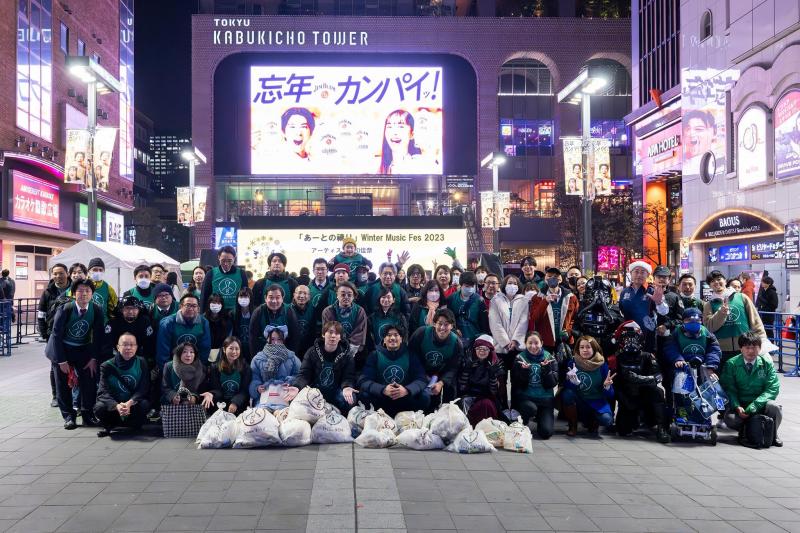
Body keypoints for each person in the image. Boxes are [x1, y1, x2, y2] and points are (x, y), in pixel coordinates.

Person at [46, 279, 105, 430]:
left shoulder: (96, 310)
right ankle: (68, 417)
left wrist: (93, 358)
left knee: (89, 382)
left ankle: (87, 415)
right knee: (63, 385)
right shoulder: (66, 309)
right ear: (73, 293)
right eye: (80, 290)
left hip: (83, 349)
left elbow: (98, 336)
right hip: (62, 349)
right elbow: (56, 336)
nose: (84, 294)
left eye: (87, 291)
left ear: (92, 294)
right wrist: (61, 361)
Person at [612, 321, 671, 443]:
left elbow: (658, 376)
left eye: (634, 338)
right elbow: (613, 383)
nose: (631, 342)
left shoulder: (648, 356)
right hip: (627, 396)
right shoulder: (616, 358)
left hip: (645, 394)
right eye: (627, 339)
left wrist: (639, 379)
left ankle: (662, 428)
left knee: (658, 392)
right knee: (623, 430)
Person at [720, 332, 782, 447]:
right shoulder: (731, 364)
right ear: (741, 348)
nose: (750, 351)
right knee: (730, 419)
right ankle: (745, 432)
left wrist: (755, 405)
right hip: (741, 405)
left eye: (754, 348)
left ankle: (773, 435)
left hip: (761, 403)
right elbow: (729, 388)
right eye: (747, 348)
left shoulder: (766, 363)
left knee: (775, 408)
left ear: (759, 349)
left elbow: (773, 388)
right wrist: (736, 406)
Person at [357, 324, 430, 417]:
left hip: (404, 399)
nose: (392, 338)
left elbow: (421, 379)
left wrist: (407, 390)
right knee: (364, 395)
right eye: (388, 335)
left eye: (396, 335)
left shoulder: (410, 355)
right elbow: (364, 380)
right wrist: (383, 389)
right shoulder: (374, 355)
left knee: (424, 397)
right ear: (384, 339)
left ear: (401, 339)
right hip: (382, 399)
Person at [286, 321, 358, 414]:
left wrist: (347, 387)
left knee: (350, 399)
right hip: (314, 390)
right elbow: (304, 374)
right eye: (330, 332)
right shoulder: (312, 352)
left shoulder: (347, 356)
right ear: (323, 334)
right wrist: (297, 387)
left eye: (336, 333)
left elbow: (348, 377)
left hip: (335, 391)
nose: (333, 336)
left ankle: (340, 419)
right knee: (293, 396)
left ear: (340, 337)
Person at [703, 270, 766, 368]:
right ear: (710, 285)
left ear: (725, 281)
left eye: (719, 279)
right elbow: (709, 327)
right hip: (721, 350)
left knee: (746, 380)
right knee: (726, 380)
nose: (716, 282)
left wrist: (762, 341)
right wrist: (721, 313)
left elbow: (755, 320)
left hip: (745, 347)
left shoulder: (742, 297)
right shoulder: (709, 305)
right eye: (712, 281)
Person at [94, 332, 151, 437]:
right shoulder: (107, 366)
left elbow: (143, 388)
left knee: (145, 404)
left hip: (132, 404)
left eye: (132, 344)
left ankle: (133, 424)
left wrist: (129, 403)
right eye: (125, 344)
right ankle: (109, 425)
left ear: (136, 347)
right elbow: (103, 392)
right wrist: (117, 406)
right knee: (99, 407)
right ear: (118, 347)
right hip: (115, 406)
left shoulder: (142, 362)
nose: (128, 348)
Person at [408, 309, 464, 411]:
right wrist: (421, 375)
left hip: (441, 375)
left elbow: (453, 368)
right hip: (419, 373)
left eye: (446, 324)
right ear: (434, 323)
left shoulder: (456, 343)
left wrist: (441, 383)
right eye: (440, 323)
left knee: (450, 393)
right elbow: (411, 356)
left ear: (452, 326)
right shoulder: (421, 333)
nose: (442, 328)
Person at [562, 336, 615, 437]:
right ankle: (572, 426)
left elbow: (611, 395)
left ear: (594, 349)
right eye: (581, 347)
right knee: (567, 394)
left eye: (588, 347)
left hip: (597, 402)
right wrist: (574, 383)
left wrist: (607, 387)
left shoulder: (602, 365)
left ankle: (593, 422)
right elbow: (566, 387)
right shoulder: (573, 362)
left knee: (607, 420)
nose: (584, 350)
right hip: (580, 401)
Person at [510, 331, 558, 439]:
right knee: (530, 408)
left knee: (546, 433)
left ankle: (542, 418)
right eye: (530, 343)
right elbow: (516, 384)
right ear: (525, 344)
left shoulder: (550, 358)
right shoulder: (519, 358)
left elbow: (552, 383)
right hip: (526, 398)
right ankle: (524, 420)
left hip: (545, 400)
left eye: (536, 343)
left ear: (541, 343)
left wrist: (546, 369)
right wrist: (524, 372)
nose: (533, 346)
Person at [38, 263, 70, 407]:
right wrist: (44, 333)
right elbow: (41, 314)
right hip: (53, 334)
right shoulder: (47, 292)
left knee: (71, 365)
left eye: (61, 273)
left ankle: (72, 395)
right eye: (55, 274)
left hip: (71, 334)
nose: (58, 276)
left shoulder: (74, 289)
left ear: (67, 273)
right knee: (55, 366)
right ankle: (56, 396)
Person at [528, 267, 579, 353]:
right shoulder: (537, 297)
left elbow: (575, 318)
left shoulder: (571, 297)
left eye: (555, 276)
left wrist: (569, 331)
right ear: (545, 279)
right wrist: (545, 301)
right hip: (546, 342)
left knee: (566, 365)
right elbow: (534, 319)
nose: (552, 278)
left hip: (565, 341)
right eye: (549, 276)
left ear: (560, 279)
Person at [458, 334, 504, 426]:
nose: (482, 351)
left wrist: (492, 375)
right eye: (479, 348)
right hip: (468, 397)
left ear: (490, 350)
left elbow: (494, 391)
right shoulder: (468, 361)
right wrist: (466, 369)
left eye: (485, 349)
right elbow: (462, 387)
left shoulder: (495, 365)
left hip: (487, 397)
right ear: (474, 349)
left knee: (486, 404)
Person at [156, 294, 212, 370]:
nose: (191, 308)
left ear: (198, 308)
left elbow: (204, 349)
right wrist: (168, 370)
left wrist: (199, 368)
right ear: (180, 306)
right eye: (188, 305)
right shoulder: (167, 323)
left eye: (194, 306)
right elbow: (163, 352)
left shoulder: (204, 322)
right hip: (173, 365)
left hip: (194, 365)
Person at [200, 336, 252, 415]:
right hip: (221, 403)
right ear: (224, 349)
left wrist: (235, 402)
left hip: (239, 404)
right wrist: (211, 394)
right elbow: (217, 389)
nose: (234, 352)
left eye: (237, 349)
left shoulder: (245, 367)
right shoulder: (215, 367)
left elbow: (244, 390)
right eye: (231, 348)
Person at [248, 329, 302, 405]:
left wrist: (290, 382)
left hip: (285, 399)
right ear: (268, 339)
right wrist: (257, 388)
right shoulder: (257, 359)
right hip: (264, 400)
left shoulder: (292, 358)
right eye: (273, 339)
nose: (276, 342)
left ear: (283, 340)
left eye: (279, 339)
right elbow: (254, 378)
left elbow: (299, 376)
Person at [619, 260, 661, 352]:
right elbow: (620, 311)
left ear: (648, 275)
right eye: (636, 271)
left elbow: (663, 311)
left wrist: (660, 303)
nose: (639, 275)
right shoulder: (624, 292)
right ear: (630, 273)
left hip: (647, 332)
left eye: (643, 272)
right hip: (628, 333)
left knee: (646, 361)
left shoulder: (652, 291)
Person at [663, 308, 722, 373]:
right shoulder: (676, 333)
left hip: (703, 366)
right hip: (682, 366)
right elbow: (670, 348)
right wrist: (677, 359)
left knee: (712, 382)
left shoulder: (707, 333)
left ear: (701, 321)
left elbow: (714, 350)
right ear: (683, 321)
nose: (693, 322)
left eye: (697, 320)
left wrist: (711, 365)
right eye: (689, 320)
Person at [249, 284, 300, 357]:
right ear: (265, 298)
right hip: (263, 353)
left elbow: (295, 337)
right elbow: (253, 339)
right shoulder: (258, 312)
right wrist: (257, 359)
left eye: (277, 297)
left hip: (285, 353)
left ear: (282, 298)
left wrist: (290, 357)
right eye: (271, 297)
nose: (274, 301)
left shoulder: (289, 311)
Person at [489, 275, 528, 368]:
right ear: (504, 285)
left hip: (518, 346)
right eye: (509, 283)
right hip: (500, 346)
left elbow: (523, 322)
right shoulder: (495, 300)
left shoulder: (524, 300)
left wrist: (515, 341)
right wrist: (506, 342)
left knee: (518, 378)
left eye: (515, 283)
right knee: (500, 377)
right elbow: (495, 323)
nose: (512, 285)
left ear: (518, 286)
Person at [322, 281, 367, 356]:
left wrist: (350, 348)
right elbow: (328, 332)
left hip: (354, 350)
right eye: (343, 294)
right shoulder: (328, 311)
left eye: (349, 295)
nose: (346, 297)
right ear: (337, 295)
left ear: (354, 296)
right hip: (334, 348)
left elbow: (360, 332)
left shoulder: (360, 311)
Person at [446, 271, 488, 348]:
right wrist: (454, 330)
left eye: (472, 286)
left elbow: (484, 325)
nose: (470, 289)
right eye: (467, 286)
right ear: (461, 285)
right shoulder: (451, 299)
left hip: (474, 339)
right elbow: (448, 319)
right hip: (455, 339)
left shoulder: (479, 301)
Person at [201, 246, 249, 314]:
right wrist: (202, 315)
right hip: (216, 313)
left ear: (234, 259)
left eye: (230, 261)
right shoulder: (211, 273)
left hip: (235, 313)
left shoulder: (241, 273)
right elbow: (204, 296)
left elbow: (245, 295)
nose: (226, 264)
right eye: (223, 261)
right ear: (219, 258)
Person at [379, 109, 423, 174]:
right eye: (389, 127)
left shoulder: (420, 165)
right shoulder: (378, 166)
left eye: (401, 127)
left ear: (412, 134)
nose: (394, 132)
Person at [368, 287, 409, 352]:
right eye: (383, 297)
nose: (386, 299)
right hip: (378, 351)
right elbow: (370, 336)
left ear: (393, 300)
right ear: (379, 299)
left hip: (396, 350)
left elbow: (404, 335)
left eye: (388, 297)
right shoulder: (372, 317)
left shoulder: (400, 316)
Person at [86, 258, 118, 323]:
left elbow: (114, 307)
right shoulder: (81, 285)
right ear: (89, 271)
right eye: (95, 269)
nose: (98, 272)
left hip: (102, 324)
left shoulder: (108, 288)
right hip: (85, 323)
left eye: (100, 270)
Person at [291, 284, 316, 358]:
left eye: (305, 293)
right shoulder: (287, 310)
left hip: (307, 348)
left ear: (309, 296)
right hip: (291, 348)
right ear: (294, 295)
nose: (302, 296)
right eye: (299, 293)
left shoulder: (313, 310)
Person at [232, 287, 254, 362]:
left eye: (246, 296)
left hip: (252, 349)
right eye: (241, 296)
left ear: (250, 298)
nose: (243, 299)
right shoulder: (233, 314)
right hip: (237, 349)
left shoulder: (256, 313)